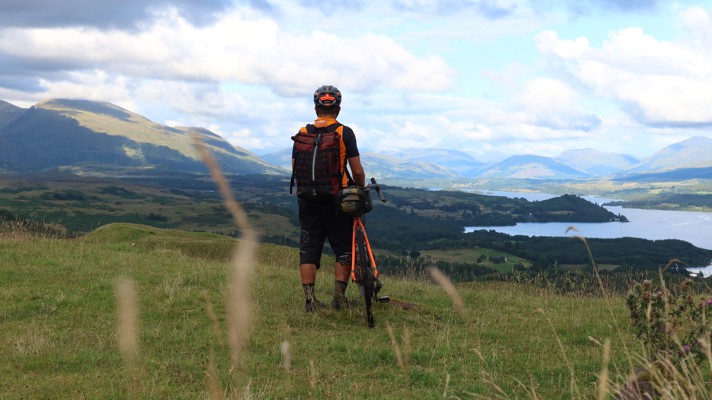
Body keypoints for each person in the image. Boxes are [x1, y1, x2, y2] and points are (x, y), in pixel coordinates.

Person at [292, 85, 366, 312]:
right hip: (337, 199)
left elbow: (295, 168)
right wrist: (359, 189)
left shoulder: (303, 131)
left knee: (309, 247)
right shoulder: (344, 133)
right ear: (339, 109)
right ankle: (339, 298)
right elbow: (358, 171)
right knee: (343, 247)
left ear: (316, 108)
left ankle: (309, 300)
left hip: (307, 199)